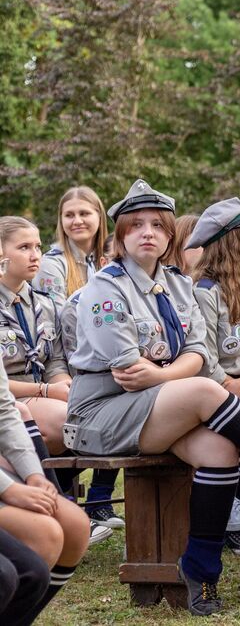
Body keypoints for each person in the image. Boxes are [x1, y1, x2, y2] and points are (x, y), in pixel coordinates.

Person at [66, 180, 240, 615]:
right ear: (119, 234)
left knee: (219, 448)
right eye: (136, 225)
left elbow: (198, 354)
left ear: (168, 238)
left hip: (162, 404)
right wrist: (178, 371)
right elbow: (129, 373)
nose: (148, 232)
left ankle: (201, 570)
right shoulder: (104, 290)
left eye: (158, 226)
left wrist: (167, 370)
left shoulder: (177, 286)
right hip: (102, 414)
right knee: (202, 389)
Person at [0, 236, 90, 626]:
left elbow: (3, 406)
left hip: (23, 409)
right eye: (23, 247)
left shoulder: (42, 303)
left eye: (38, 246)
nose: (34, 255)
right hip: (29, 400)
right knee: (43, 537)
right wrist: (11, 489)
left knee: (74, 526)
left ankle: (56, 485)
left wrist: (34, 478)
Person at [32, 188, 125, 535]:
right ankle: (78, 501)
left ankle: (99, 497)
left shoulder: (106, 259)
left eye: (85, 213)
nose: (77, 221)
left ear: (99, 217)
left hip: (96, 359)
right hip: (61, 361)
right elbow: (55, 326)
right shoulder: (53, 265)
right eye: (69, 214)